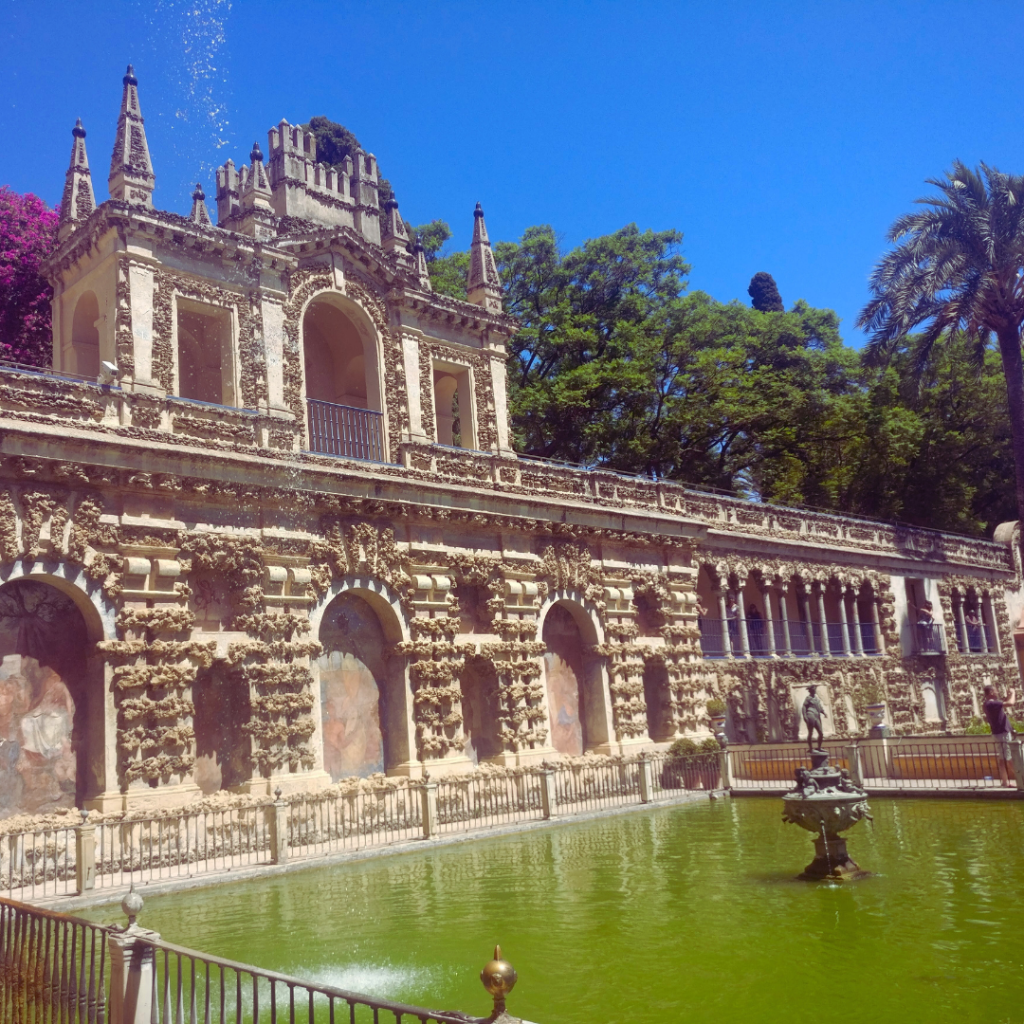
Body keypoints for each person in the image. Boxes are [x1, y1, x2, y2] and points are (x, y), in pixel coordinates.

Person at [983, 684, 1018, 787]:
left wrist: (1008, 695)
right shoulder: (991, 704)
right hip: (1002, 733)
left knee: (1003, 759)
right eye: (996, 690)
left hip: (998, 733)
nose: (998, 692)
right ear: (991, 693)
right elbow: (1011, 703)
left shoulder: (987, 704)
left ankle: (1005, 781)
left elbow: (1003, 703)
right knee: (1009, 758)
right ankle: (1021, 779)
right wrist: (1013, 693)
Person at [802, 684, 827, 753]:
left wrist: (824, 712)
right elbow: (804, 707)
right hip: (810, 715)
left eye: (815, 689)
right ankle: (810, 748)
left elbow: (819, 707)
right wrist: (805, 716)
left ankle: (819, 747)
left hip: (817, 716)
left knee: (821, 733)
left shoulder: (816, 698)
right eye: (814, 689)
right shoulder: (808, 698)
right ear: (811, 690)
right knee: (810, 732)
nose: (815, 690)